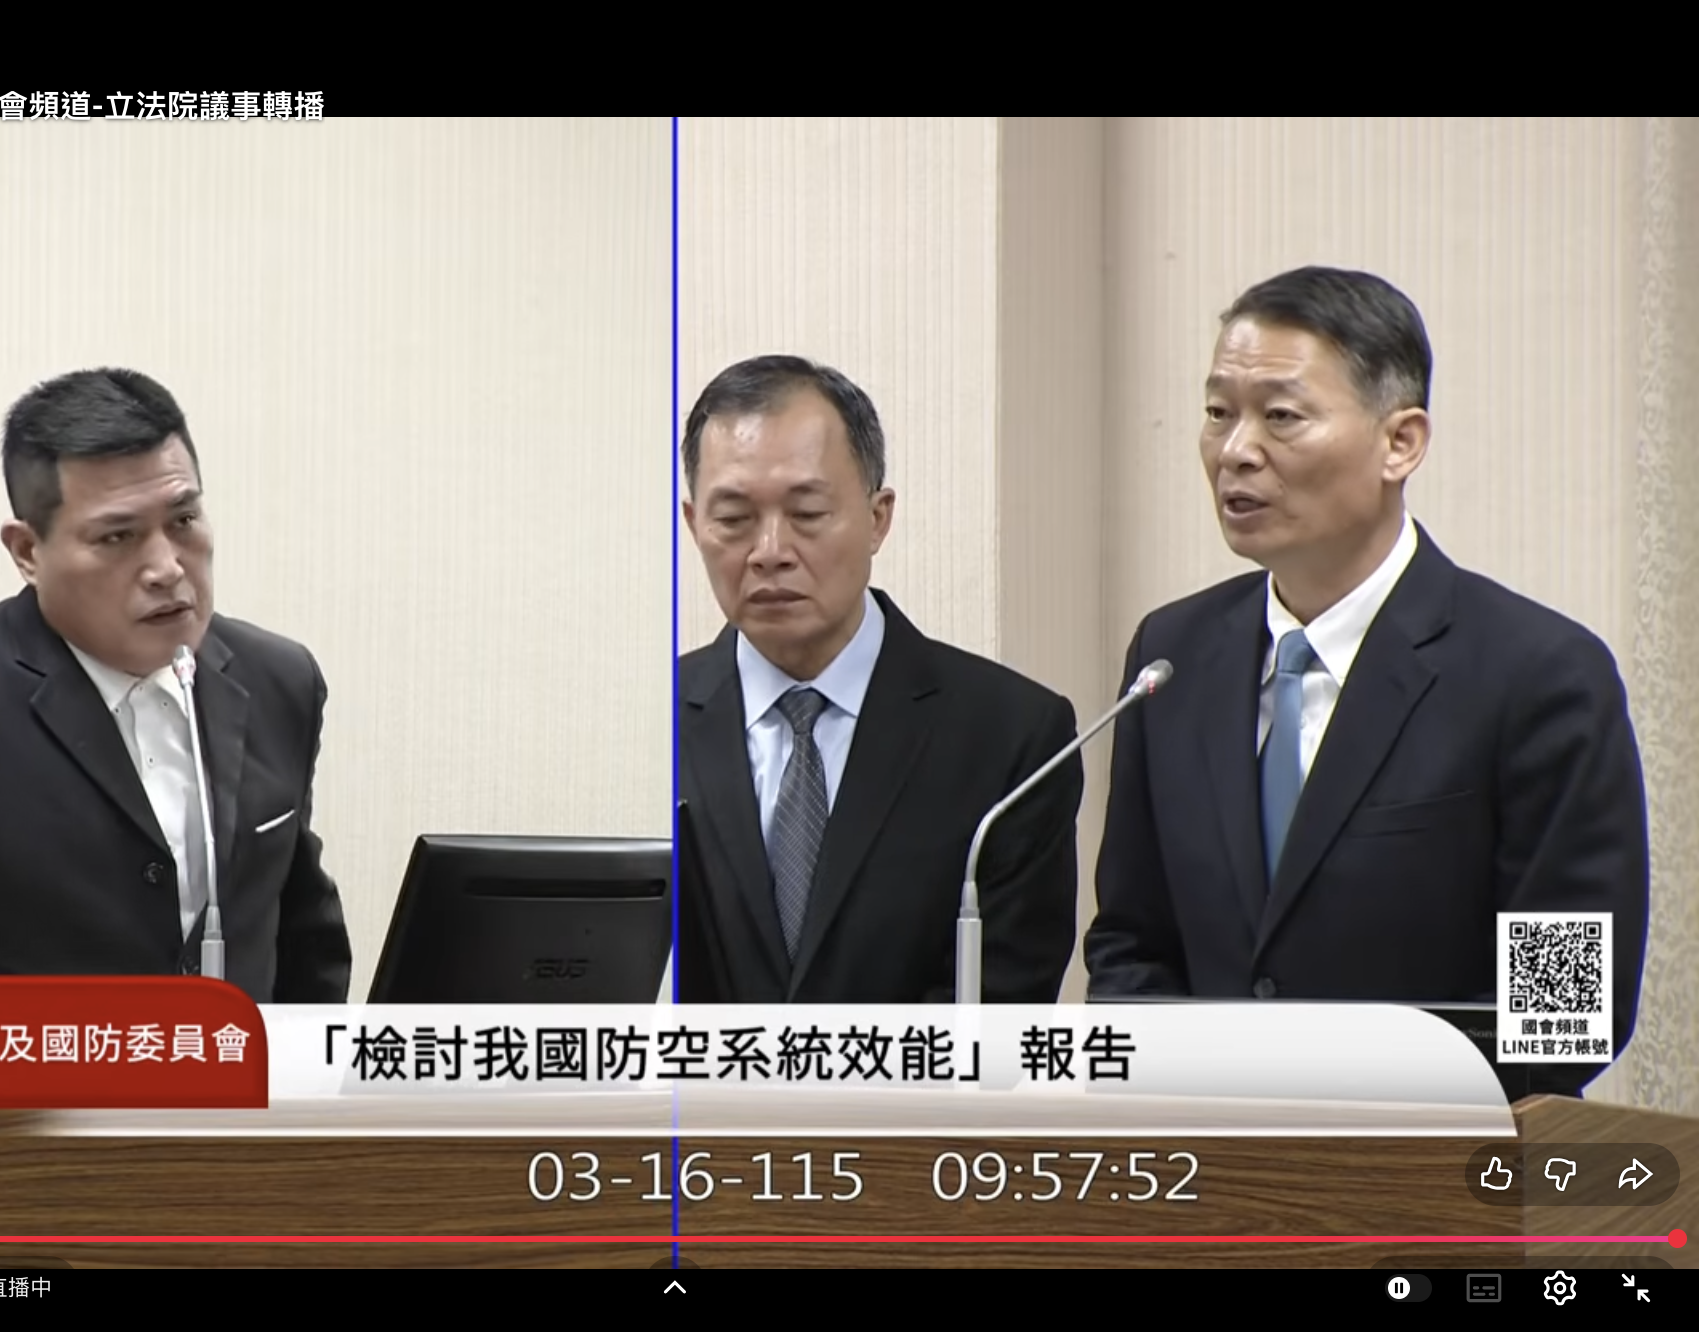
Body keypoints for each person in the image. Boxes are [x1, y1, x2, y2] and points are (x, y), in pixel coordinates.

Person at [1083, 267, 1649, 1095]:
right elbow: (1132, 944)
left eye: (1281, 416)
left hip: (1435, 1157)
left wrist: (1341, 1124)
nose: (1236, 451)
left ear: (1401, 443)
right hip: (1207, 1155)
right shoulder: (1172, 656)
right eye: (1218, 413)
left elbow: (1561, 1012)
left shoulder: (1539, 674)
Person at [0, 369, 352, 1101]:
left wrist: (294, 1112)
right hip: (15, 1149)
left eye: (183, 520)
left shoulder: (279, 681)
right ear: (27, 550)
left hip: (229, 1145)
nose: (166, 568)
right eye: (117, 536)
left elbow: (301, 930)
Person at [678, 355, 1080, 1003]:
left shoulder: (1012, 737)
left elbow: (1001, 1004)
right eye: (733, 518)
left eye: (808, 513)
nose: (770, 551)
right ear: (694, 524)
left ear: (877, 518)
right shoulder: (655, 722)